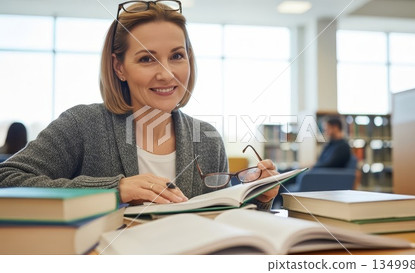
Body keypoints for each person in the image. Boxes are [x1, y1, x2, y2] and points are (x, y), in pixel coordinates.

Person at [0, 1, 279, 209]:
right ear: (119, 67)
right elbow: (7, 179)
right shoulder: (83, 125)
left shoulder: (207, 139)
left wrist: (260, 198)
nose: (167, 74)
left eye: (177, 56)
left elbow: (220, 219)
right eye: (147, 59)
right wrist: (115, 189)